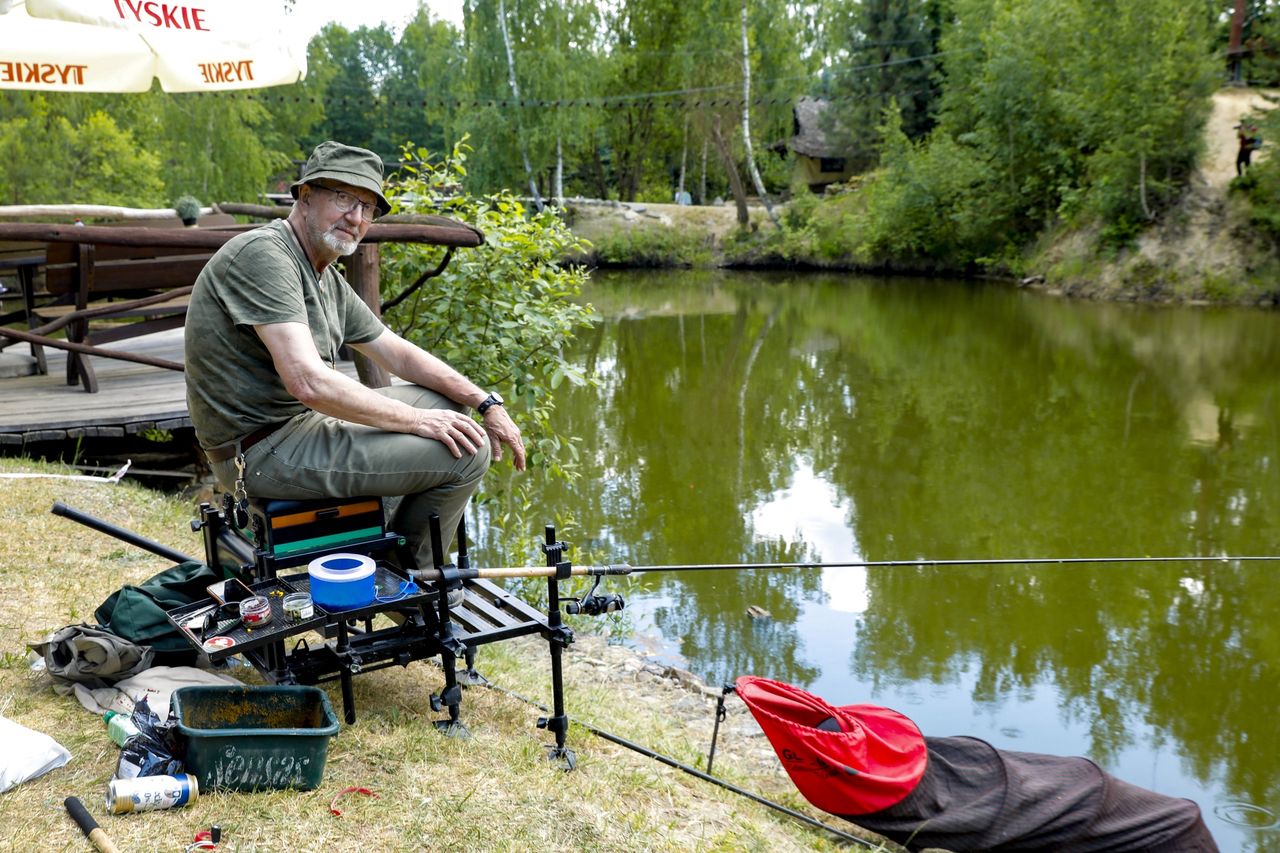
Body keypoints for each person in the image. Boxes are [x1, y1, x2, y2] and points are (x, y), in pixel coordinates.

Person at [185, 141, 525, 575]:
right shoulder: (265, 256)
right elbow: (308, 382)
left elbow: (396, 352)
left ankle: (389, 549)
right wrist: (416, 422)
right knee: (468, 452)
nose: (356, 218)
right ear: (305, 197)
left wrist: (486, 403)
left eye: (367, 207)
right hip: (259, 451)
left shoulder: (323, 273)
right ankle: (412, 580)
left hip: (296, 428)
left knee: (450, 407)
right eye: (343, 198)